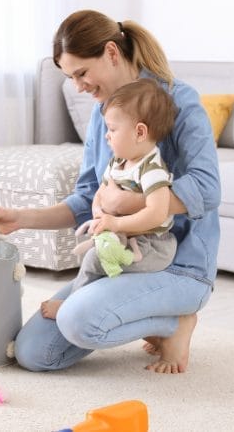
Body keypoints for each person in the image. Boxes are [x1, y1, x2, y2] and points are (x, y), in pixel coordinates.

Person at [0, 10, 220, 374]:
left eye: (82, 73)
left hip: (178, 266)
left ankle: (176, 321)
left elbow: (207, 188)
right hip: (124, 259)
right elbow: (86, 197)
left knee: (78, 319)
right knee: (34, 353)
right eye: (70, 77)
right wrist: (21, 219)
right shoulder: (104, 115)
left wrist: (128, 202)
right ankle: (143, 313)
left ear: (112, 53)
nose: (78, 86)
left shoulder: (179, 101)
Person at [42, 78, 178, 316]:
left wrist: (115, 223)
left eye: (112, 130)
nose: (106, 136)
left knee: (95, 260)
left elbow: (157, 213)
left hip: (152, 246)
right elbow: (101, 192)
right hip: (122, 236)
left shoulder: (152, 169)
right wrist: (98, 213)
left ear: (139, 132)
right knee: (91, 251)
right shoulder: (118, 162)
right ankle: (87, 299)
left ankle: (72, 307)